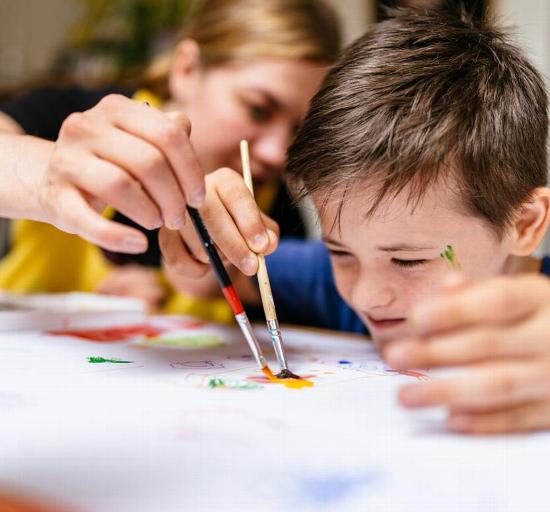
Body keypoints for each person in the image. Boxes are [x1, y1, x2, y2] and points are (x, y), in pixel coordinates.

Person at [161, 6, 550, 434]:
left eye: (408, 261)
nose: (365, 296)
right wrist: (206, 226)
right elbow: (205, 277)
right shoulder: (326, 281)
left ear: (525, 223)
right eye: (339, 251)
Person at [0, 0, 340, 315]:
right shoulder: (68, 115)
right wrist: (50, 170)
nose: (277, 153)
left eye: (298, 128)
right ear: (186, 68)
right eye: (258, 109)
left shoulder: (271, 201)